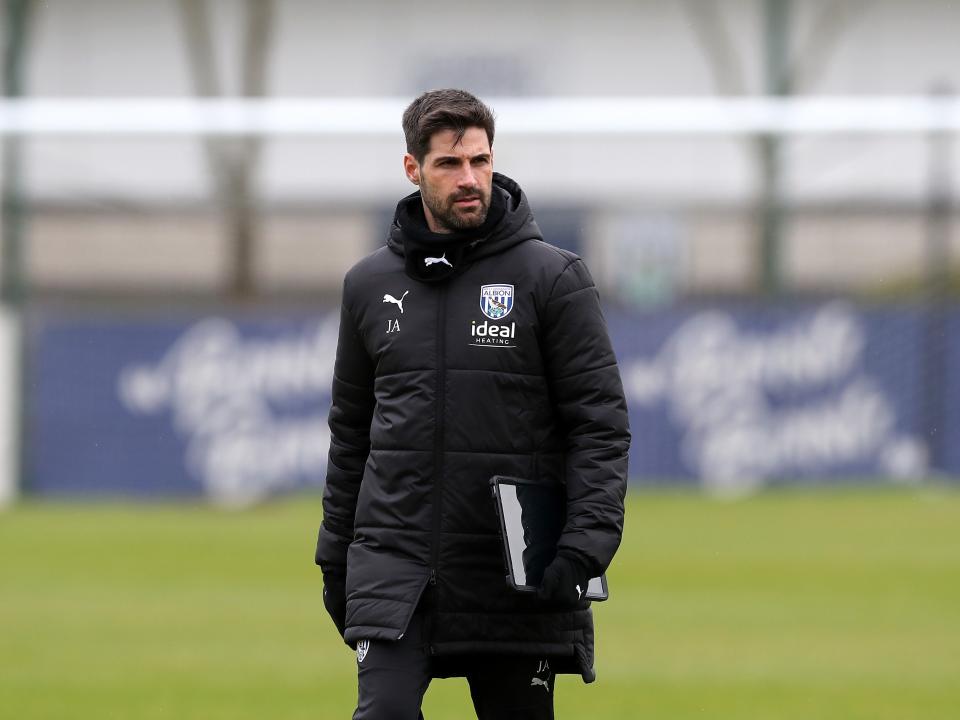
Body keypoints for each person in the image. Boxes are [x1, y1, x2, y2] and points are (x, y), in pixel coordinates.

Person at [315, 88, 630, 720]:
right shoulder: (368, 286)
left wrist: (585, 544)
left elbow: (599, 425)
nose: (469, 179)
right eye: (449, 164)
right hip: (397, 569)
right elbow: (351, 433)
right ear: (413, 169)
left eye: (480, 162)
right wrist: (335, 553)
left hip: (512, 574)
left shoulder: (554, 279)